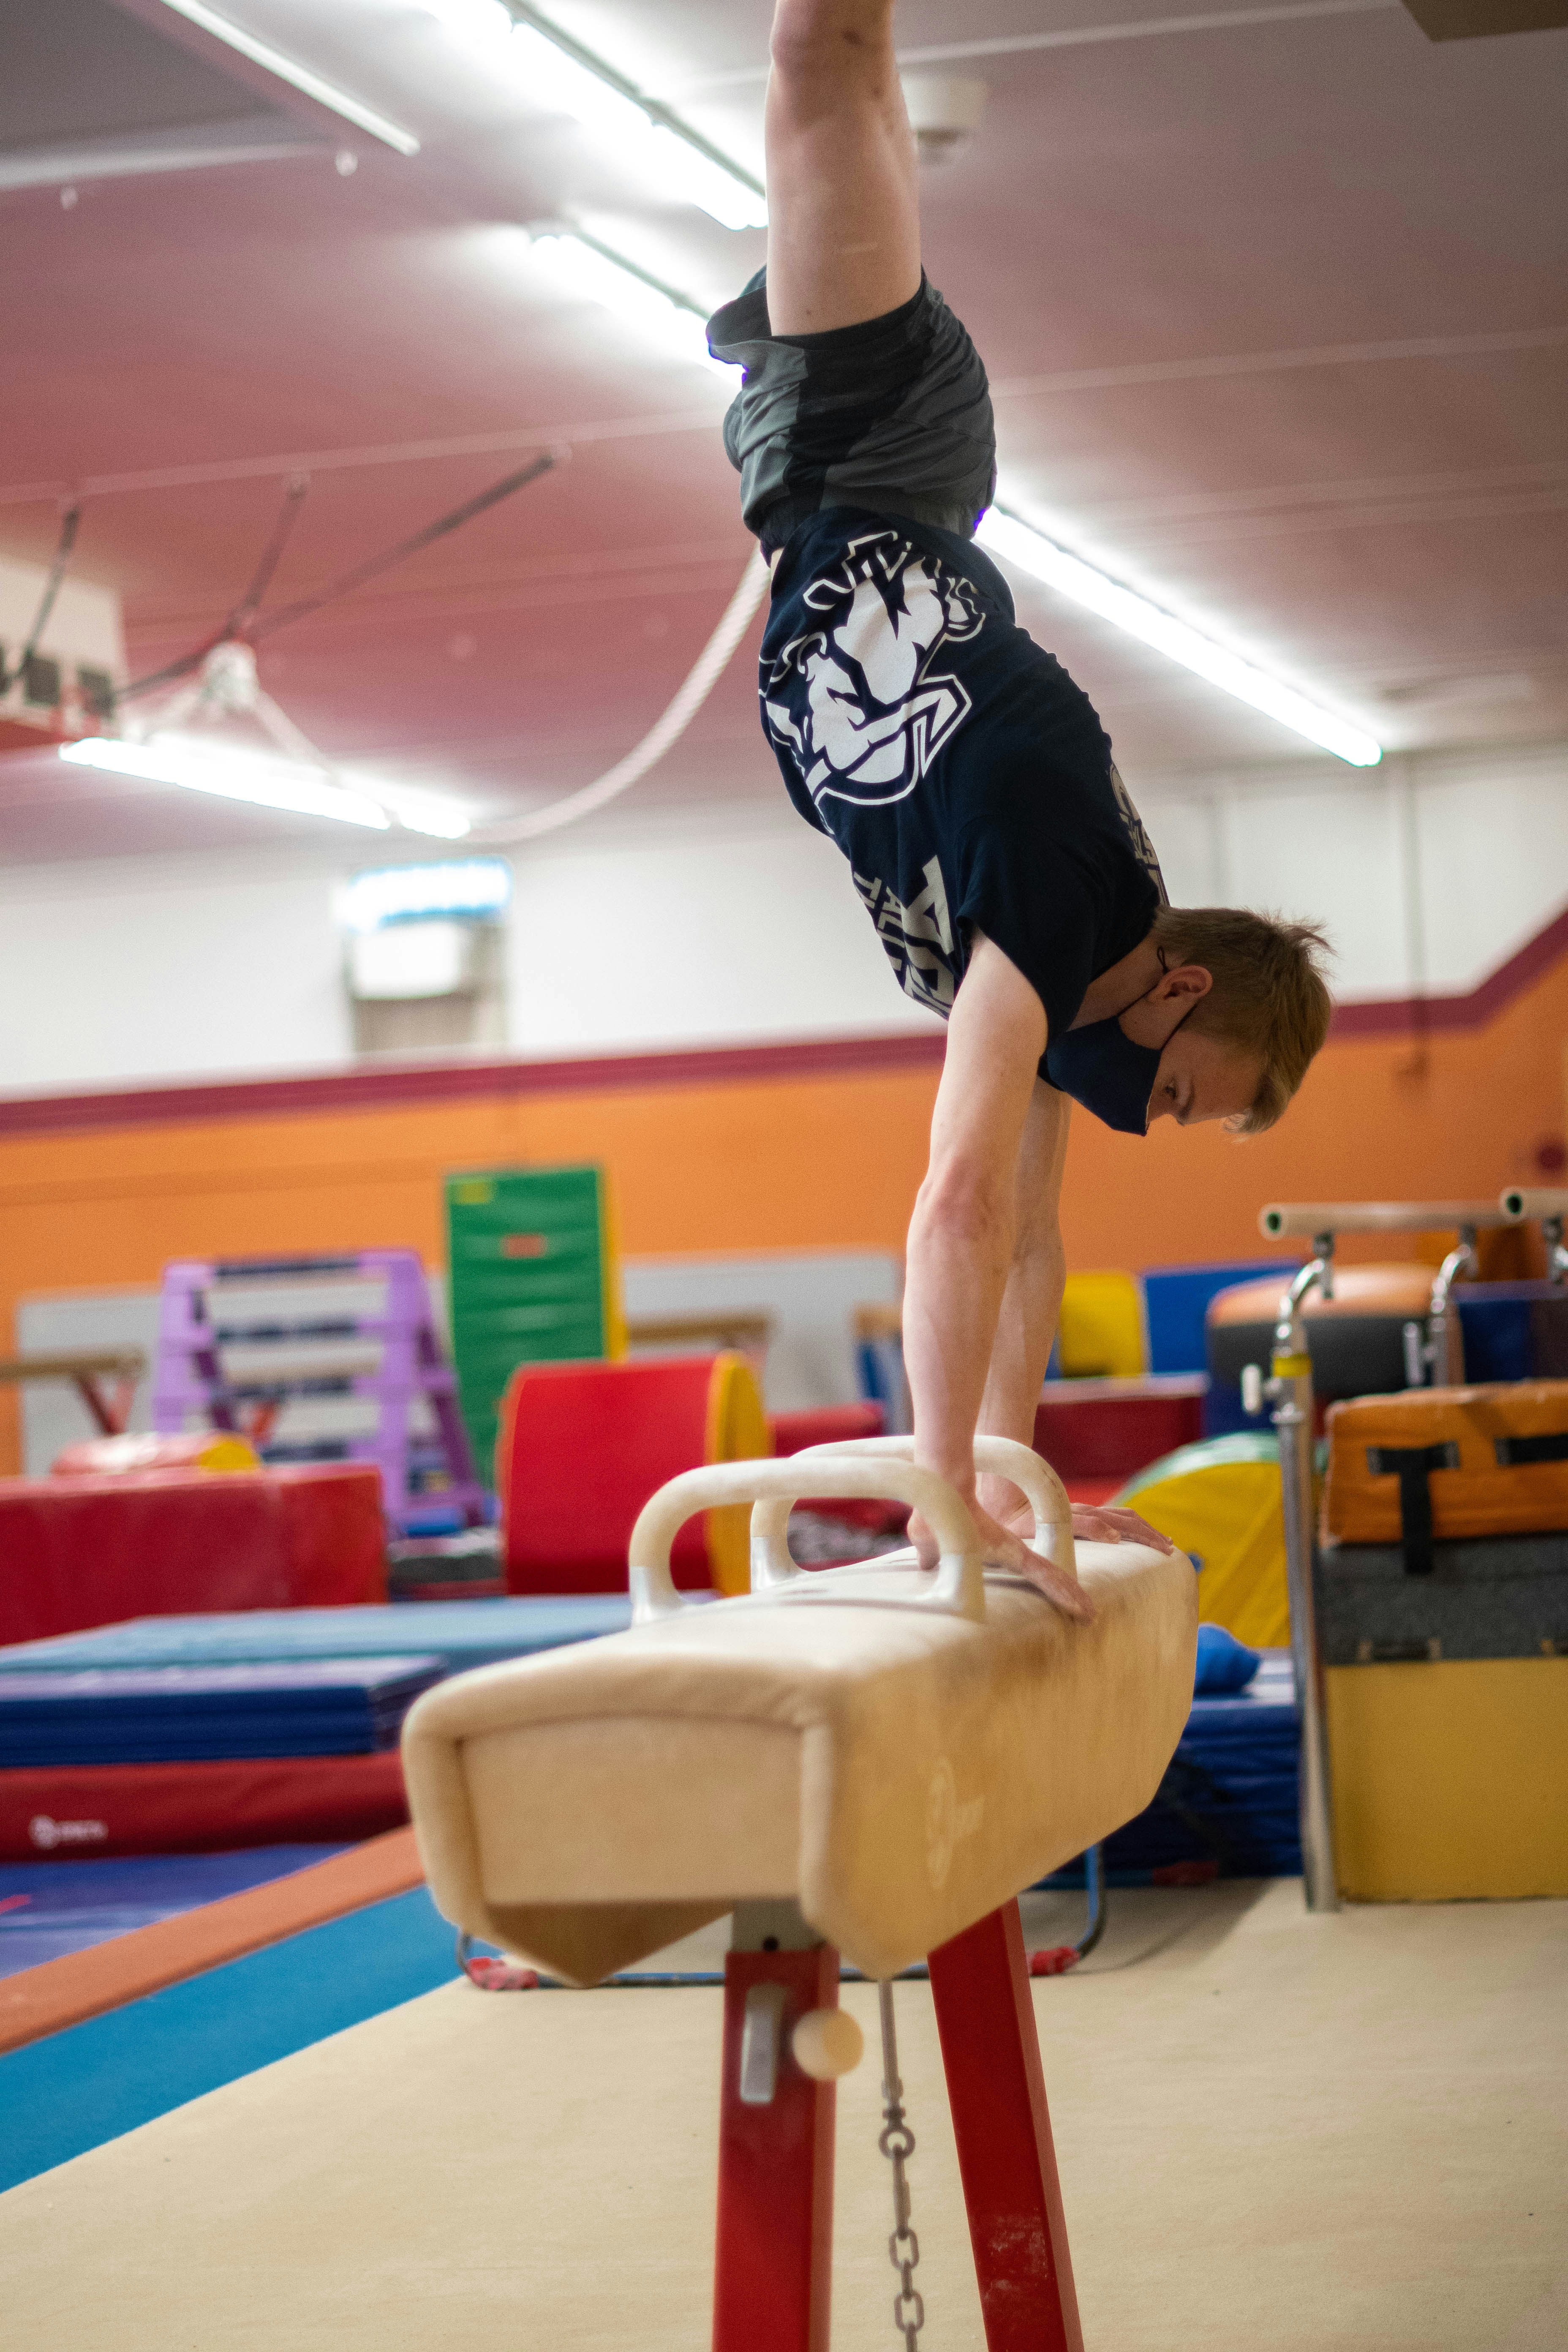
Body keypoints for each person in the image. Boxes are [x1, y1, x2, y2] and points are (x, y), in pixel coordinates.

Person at [708, 0, 1332, 1613]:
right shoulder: (1061, 912)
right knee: (821, 61)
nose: (1164, 1119)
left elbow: (1033, 1246)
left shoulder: (1058, 986)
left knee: (855, 85)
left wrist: (1004, 1461)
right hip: (887, 456)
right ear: (1180, 990)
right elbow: (961, 1200)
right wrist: (939, 1485)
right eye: (1195, 1094)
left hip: (833, 494)